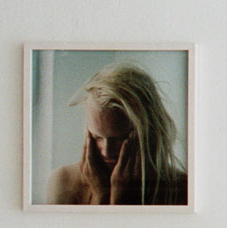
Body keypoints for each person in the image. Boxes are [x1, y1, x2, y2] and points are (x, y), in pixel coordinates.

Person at [48, 62, 189, 205]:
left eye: (120, 139)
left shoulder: (183, 188)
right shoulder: (63, 182)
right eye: (97, 137)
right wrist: (101, 195)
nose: (107, 152)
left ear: (149, 132)